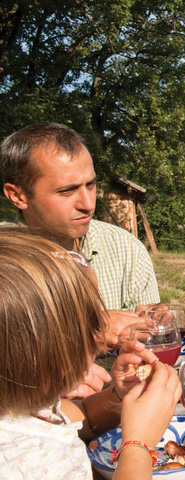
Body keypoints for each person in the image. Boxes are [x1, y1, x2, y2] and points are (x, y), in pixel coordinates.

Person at [0, 227, 181, 480]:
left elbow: (81, 417)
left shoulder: (20, 408)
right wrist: (139, 444)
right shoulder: (13, 472)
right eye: (91, 324)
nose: (99, 336)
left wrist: (118, 397)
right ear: (49, 352)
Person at [1, 123, 161, 396]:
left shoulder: (125, 247)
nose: (87, 203)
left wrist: (156, 323)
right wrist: (88, 334)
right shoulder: (7, 261)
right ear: (18, 195)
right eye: (66, 191)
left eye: (91, 184)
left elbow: (153, 351)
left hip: (121, 410)